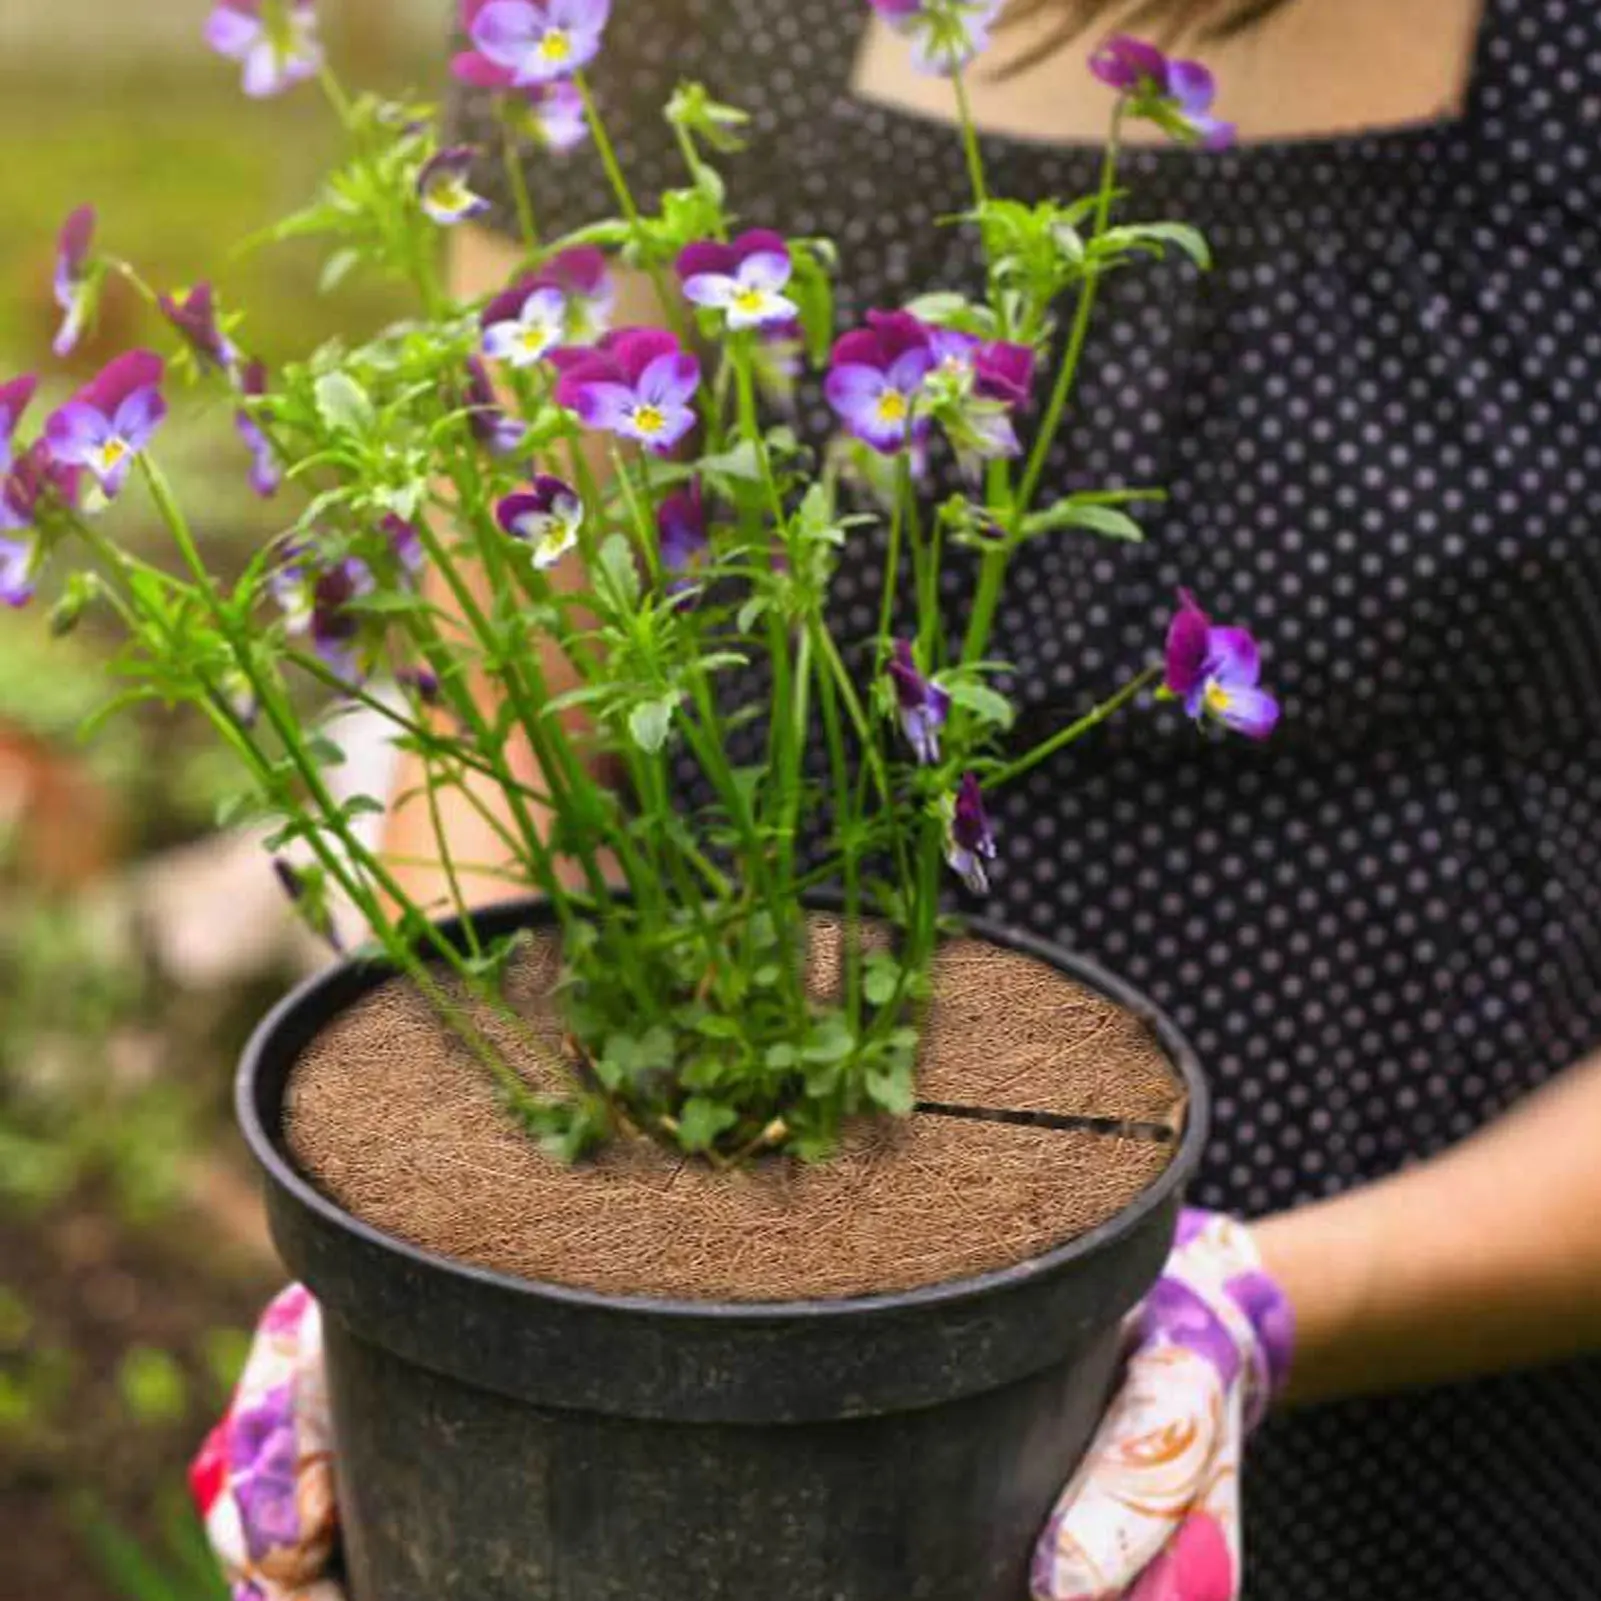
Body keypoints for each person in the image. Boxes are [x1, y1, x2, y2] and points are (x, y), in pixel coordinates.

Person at [202, 2, 1601, 1598]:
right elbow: (500, 715)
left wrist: (1246, 1304)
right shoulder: (660, 34)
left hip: (1460, 1390)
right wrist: (423, 1252)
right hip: (712, 1375)